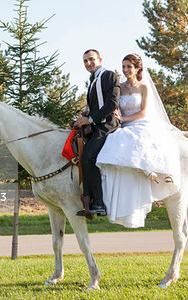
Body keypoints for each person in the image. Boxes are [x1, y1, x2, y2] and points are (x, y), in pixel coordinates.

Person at [96, 53, 181, 228]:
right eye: (124, 66)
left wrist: (123, 120)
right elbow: (113, 106)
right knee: (114, 142)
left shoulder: (144, 88)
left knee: (139, 139)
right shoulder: (119, 87)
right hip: (124, 126)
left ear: (137, 69)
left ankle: (152, 168)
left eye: (129, 67)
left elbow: (143, 112)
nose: (126, 70)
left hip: (141, 122)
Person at [75, 49, 120, 218]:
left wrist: (90, 119)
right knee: (80, 153)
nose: (88, 63)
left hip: (108, 124)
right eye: (85, 61)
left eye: (91, 59)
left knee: (88, 156)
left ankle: (99, 204)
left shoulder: (109, 76)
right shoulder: (93, 80)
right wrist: (85, 116)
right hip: (96, 125)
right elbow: (95, 107)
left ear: (100, 59)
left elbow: (112, 104)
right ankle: (89, 200)